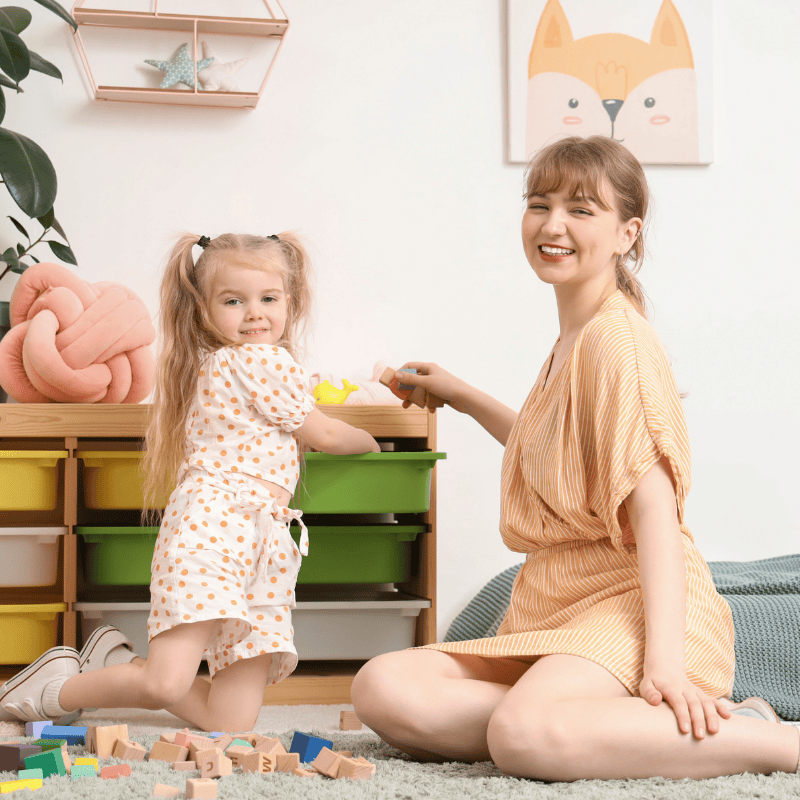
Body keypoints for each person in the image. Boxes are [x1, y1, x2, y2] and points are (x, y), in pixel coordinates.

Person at [351, 136, 800, 781]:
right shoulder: (576, 336)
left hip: (629, 601)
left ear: (627, 233)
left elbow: (656, 515)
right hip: (559, 602)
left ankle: (765, 738)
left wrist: (664, 665)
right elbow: (554, 453)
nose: (552, 225)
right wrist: (461, 394)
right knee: (384, 686)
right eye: (540, 203)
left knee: (524, 733)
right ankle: (584, 731)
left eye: (582, 209)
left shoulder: (619, 344)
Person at [0, 231, 379, 733]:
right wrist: (372, 442)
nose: (255, 314)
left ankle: (117, 664)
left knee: (231, 721)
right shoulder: (257, 360)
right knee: (165, 685)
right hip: (214, 533)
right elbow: (327, 433)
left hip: (261, 545)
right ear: (202, 309)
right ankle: (51, 691)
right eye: (234, 301)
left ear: (291, 301)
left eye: (269, 298)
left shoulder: (232, 364)